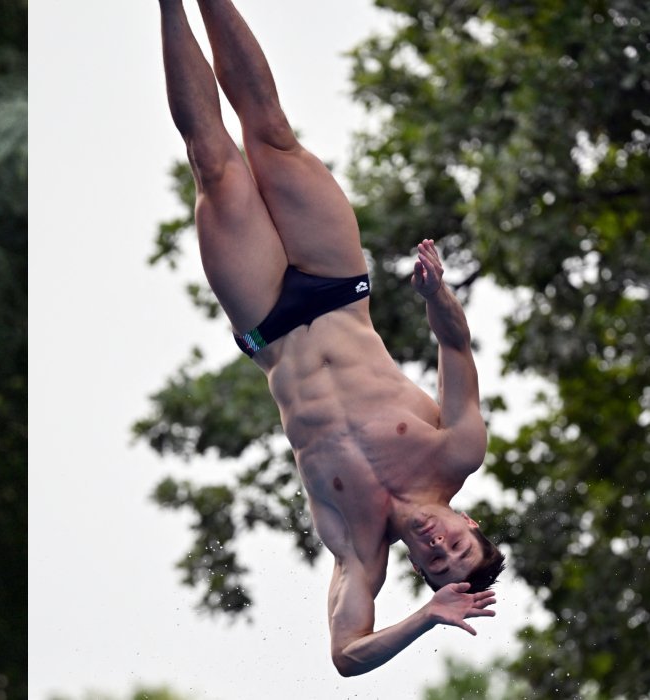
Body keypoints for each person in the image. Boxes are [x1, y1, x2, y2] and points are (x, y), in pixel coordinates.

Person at [158, 0, 504, 675]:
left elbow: (345, 656)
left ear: (419, 569)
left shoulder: (357, 550)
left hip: (268, 325)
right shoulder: (455, 452)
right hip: (335, 286)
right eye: (459, 547)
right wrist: (438, 296)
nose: (441, 550)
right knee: (269, 134)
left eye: (437, 568)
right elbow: (454, 348)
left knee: (212, 163)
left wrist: (426, 617)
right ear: (472, 525)